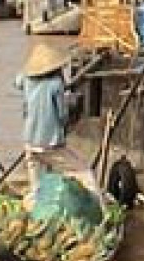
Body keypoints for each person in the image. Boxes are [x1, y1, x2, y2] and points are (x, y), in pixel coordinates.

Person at [14, 43, 102, 205]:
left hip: (29, 141)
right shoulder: (56, 84)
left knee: (36, 187)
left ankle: (36, 209)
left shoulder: (27, 80)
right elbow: (62, 115)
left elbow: (17, 81)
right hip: (50, 143)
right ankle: (100, 207)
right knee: (84, 172)